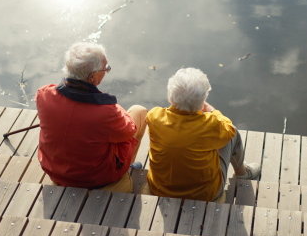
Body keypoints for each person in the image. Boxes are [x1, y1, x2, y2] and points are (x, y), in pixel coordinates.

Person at [35, 42, 147, 192]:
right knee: (139, 112)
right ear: (92, 77)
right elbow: (129, 131)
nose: (107, 71)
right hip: (96, 177)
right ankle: (125, 170)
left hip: (56, 172)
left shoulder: (44, 94)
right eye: (106, 68)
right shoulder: (106, 112)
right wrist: (109, 102)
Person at [146, 67, 261, 202]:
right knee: (232, 132)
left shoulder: (154, 116)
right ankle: (242, 174)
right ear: (203, 100)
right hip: (205, 194)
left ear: (170, 96)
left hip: (160, 189)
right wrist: (210, 109)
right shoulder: (211, 124)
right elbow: (229, 129)